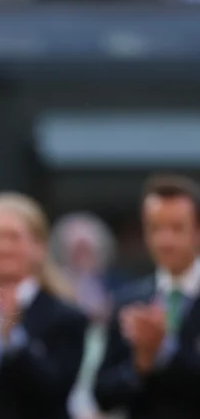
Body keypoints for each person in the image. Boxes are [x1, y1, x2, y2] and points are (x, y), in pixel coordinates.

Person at [0, 193, 89, 419]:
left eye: (13, 237)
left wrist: (13, 337)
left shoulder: (67, 317)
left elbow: (55, 391)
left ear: (39, 246)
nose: (3, 247)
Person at [93, 175, 200, 419]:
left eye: (177, 228)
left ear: (197, 230)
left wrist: (162, 351)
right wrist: (140, 364)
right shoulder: (128, 300)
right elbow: (103, 395)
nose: (165, 240)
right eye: (155, 228)